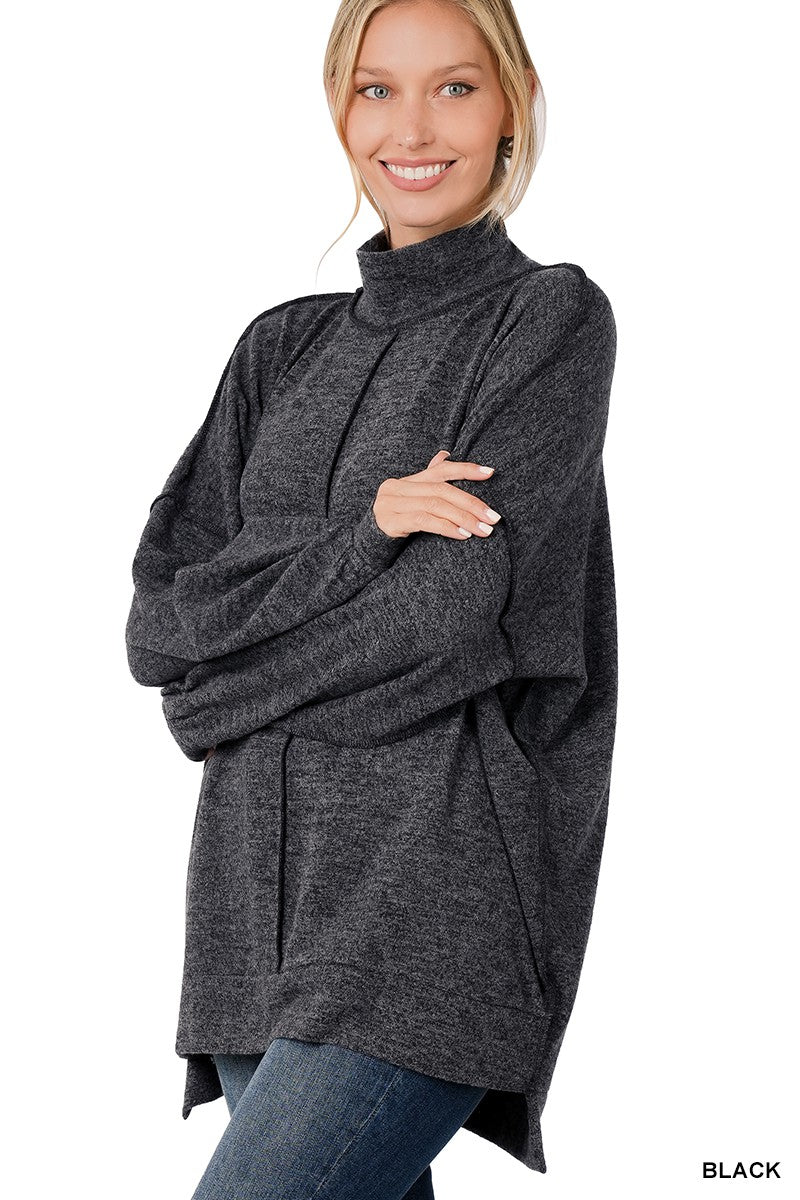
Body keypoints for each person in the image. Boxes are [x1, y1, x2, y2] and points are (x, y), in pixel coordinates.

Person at [124, 0, 618, 1195]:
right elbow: (159, 623)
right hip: (247, 915)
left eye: (454, 87)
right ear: (339, 110)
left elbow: (447, 623)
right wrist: (369, 532)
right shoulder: (277, 350)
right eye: (375, 89)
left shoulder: (544, 320)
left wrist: (219, 699)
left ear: (513, 104)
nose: (412, 129)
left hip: (423, 913)